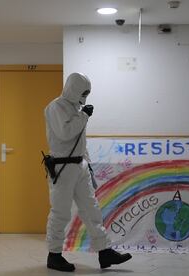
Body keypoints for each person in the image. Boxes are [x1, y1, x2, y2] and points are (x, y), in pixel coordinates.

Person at [44, 72, 132, 272]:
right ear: (73, 88)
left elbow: (80, 144)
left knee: (92, 209)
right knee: (61, 212)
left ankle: (105, 251)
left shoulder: (76, 108)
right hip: (62, 167)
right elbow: (65, 134)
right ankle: (54, 254)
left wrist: (89, 168)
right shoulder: (55, 107)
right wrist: (84, 116)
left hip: (80, 165)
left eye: (87, 92)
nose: (85, 96)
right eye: (83, 91)